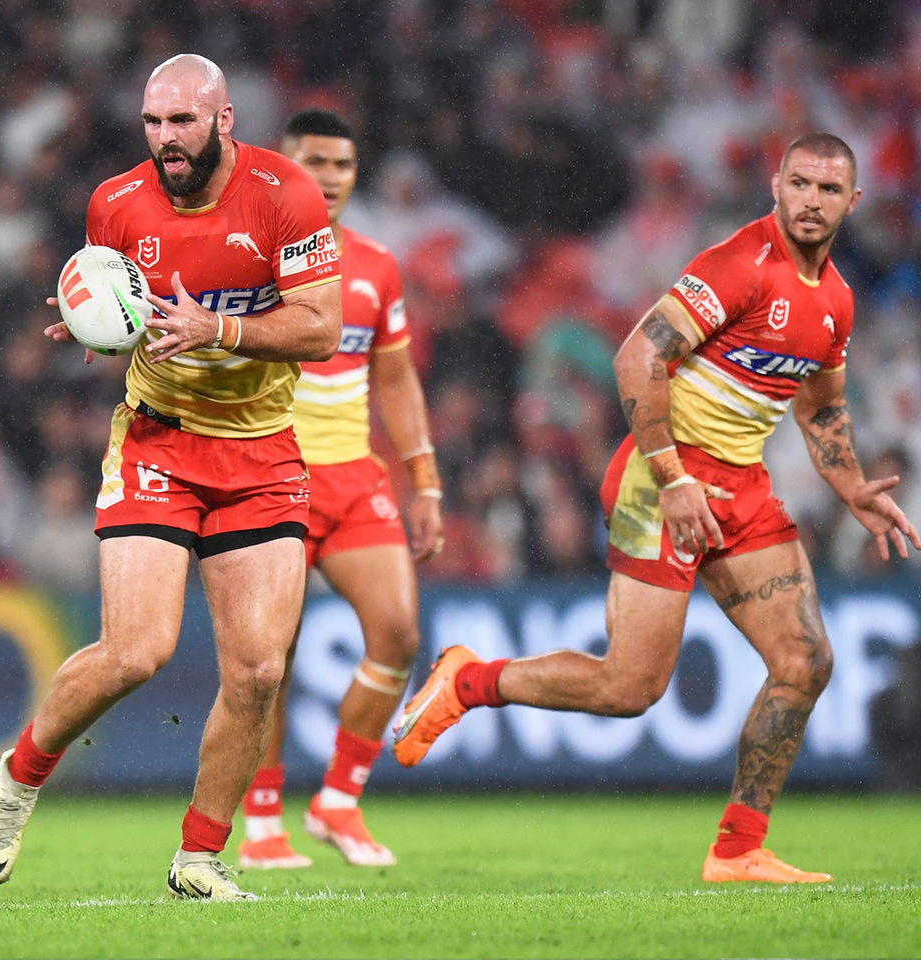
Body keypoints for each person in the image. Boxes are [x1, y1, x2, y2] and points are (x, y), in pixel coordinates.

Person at [393, 132, 921, 884]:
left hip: (740, 485)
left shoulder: (835, 299)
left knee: (806, 663)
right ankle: (469, 682)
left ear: (852, 202)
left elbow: (823, 408)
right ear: (776, 183)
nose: (811, 201)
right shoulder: (740, 265)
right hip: (658, 477)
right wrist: (673, 478)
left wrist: (852, 488)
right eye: (800, 183)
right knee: (630, 688)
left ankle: (737, 851)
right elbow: (637, 356)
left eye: (828, 190)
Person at [0, 54, 342, 901]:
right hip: (159, 443)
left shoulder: (286, 196)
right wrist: (95, 325)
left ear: (225, 120)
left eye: (181, 122)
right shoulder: (115, 202)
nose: (165, 140)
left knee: (258, 672)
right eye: (152, 123)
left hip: (260, 454)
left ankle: (199, 859)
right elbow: (119, 301)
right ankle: (21, 776)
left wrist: (217, 327)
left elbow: (321, 328)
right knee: (138, 651)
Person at [236, 110, 444, 870]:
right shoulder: (246, 259)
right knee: (270, 658)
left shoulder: (377, 265)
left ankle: (338, 801)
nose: (327, 178)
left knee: (397, 632)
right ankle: (262, 822)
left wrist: (425, 479)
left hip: (355, 476)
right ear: (281, 168)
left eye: (342, 165)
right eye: (312, 162)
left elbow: (395, 375)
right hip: (269, 474)